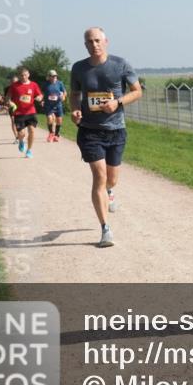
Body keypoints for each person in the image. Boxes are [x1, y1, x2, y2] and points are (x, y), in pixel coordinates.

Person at [69, 27, 142, 248]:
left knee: (112, 179)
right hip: (90, 130)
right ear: (85, 45)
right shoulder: (79, 68)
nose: (94, 45)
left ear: (106, 41)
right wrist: (74, 110)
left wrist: (117, 102)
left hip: (116, 130)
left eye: (98, 40)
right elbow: (74, 95)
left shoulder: (120, 64)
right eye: (90, 41)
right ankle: (105, 229)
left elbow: (137, 91)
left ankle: (110, 191)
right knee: (99, 177)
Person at [9, 69, 44, 158]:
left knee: (32, 130)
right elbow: (7, 98)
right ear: (19, 76)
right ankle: (21, 142)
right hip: (19, 113)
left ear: (28, 75)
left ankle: (29, 150)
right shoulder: (14, 86)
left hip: (31, 111)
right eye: (21, 75)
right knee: (22, 134)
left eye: (25, 75)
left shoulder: (33, 85)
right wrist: (10, 103)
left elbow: (40, 95)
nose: (23, 77)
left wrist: (39, 98)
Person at [43, 70, 67, 142]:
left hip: (58, 104)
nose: (54, 77)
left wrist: (64, 96)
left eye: (55, 76)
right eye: (52, 76)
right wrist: (42, 100)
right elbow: (41, 93)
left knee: (59, 120)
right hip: (48, 105)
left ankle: (56, 135)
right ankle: (51, 133)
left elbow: (64, 92)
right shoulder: (45, 84)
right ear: (49, 77)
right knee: (50, 119)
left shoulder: (60, 83)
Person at [4, 74, 20, 143]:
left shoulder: (20, 87)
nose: (14, 83)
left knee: (20, 122)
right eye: (13, 81)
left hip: (20, 106)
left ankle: (20, 134)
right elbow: (6, 98)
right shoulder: (7, 89)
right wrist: (8, 104)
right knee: (13, 121)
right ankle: (16, 137)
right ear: (10, 82)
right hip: (12, 107)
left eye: (16, 81)